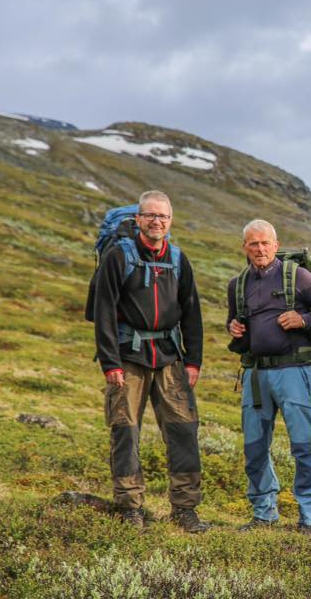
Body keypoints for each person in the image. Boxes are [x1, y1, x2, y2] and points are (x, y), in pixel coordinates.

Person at [94, 190, 207, 532]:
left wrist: (193, 361)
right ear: (139, 219)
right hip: (127, 358)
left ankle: (185, 509)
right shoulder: (118, 256)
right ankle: (130, 507)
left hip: (170, 359)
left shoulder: (177, 258)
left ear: (170, 222)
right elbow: (104, 313)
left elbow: (192, 312)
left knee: (183, 431)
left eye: (163, 217)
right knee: (125, 430)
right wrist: (110, 363)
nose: (157, 222)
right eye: (151, 216)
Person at [226, 219, 311, 534]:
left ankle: (309, 518)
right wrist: (233, 329)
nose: (260, 249)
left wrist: (303, 320)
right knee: (254, 447)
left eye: (265, 243)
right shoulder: (237, 284)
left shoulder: (298, 277)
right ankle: (264, 514)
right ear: (245, 248)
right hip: (255, 374)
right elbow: (236, 330)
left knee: (303, 445)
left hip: (295, 370)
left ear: (276, 246)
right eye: (253, 244)